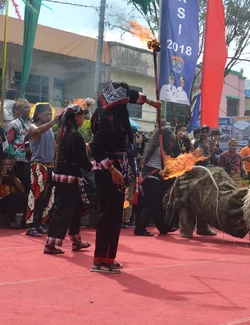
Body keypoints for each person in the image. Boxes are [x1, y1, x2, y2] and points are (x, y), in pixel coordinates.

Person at [90, 82, 161, 274]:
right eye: (125, 101)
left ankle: (108, 258)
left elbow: (133, 95)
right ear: (118, 102)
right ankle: (99, 260)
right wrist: (112, 170)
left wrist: (152, 102)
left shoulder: (114, 111)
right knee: (108, 216)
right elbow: (96, 148)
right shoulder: (106, 118)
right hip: (108, 170)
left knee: (115, 216)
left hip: (119, 168)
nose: (128, 103)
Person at [45, 104, 93, 255]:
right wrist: (93, 166)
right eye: (81, 116)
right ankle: (50, 244)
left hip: (63, 176)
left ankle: (76, 240)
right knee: (63, 211)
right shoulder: (75, 135)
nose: (83, 119)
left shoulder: (63, 133)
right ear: (75, 117)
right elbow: (81, 160)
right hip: (70, 178)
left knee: (76, 209)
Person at [25, 103, 60, 237]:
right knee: (36, 196)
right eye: (46, 115)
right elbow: (36, 133)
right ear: (38, 115)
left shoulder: (50, 129)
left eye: (50, 115)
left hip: (50, 166)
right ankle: (30, 226)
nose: (48, 117)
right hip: (38, 165)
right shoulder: (33, 127)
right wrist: (53, 122)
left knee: (47, 197)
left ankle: (39, 223)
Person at [135, 128, 176, 237]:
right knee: (153, 204)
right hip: (152, 177)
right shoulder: (160, 149)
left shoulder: (152, 148)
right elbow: (167, 165)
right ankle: (140, 228)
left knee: (157, 204)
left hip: (148, 177)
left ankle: (163, 227)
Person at [0, 157, 26, 229]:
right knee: (14, 196)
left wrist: (13, 178)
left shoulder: (15, 177)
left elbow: (23, 191)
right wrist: (1, 178)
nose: (8, 166)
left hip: (13, 204)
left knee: (26, 197)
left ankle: (24, 222)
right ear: (1, 165)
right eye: (5, 165)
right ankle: (12, 221)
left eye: (9, 165)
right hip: (0, 203)